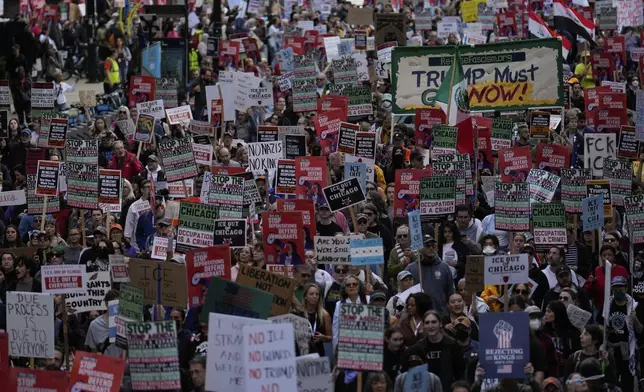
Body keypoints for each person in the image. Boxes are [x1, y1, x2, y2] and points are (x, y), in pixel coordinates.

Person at [401, 310, 465, 389]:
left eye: (434, 322)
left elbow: (460, 371)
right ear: (423, 325)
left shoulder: (452, 345)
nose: (430, 326)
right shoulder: (417, 348)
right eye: (427, 323)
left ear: (440, 324)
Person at [603, 276, 639, 390]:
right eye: (615, 289)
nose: (618, 291)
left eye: (620, 288)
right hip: (612, 349)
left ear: (626, 288)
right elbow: (600, 324)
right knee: (612, 381)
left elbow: (641, 330)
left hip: (628, 349)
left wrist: (636, 320)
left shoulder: (634, 306)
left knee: (627, 381)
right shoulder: (607, 305)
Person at [407, 234, 454, 313]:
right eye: (427, 246)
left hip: (440, 314)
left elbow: (450, 292)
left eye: (433, 246)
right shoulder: (411, 268)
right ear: (420, 248)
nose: (431, 248)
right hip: (419, 315)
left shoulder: (444, 267)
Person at [543, 300, 581, 377]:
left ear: (557, 313)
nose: (546, 314)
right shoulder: (543, 331)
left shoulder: (572, 333)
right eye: (546, 311)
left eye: (549, 311)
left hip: (566, 370)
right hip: (549, 370)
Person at [85, 290, 122, 357]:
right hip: (104, 365)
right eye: (115, 304)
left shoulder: (126, 324)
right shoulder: (95, 325)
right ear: (107, 304)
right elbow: (93, 351)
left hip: (123, 365)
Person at [302, 283, 332, 356]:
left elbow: (330, 337)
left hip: (318, 352)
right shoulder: (299, 313)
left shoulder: (324, 315)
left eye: (317, 294)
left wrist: (323, 337)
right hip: (302, 353)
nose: (314, 296)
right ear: (305, 296)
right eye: (311, 294)